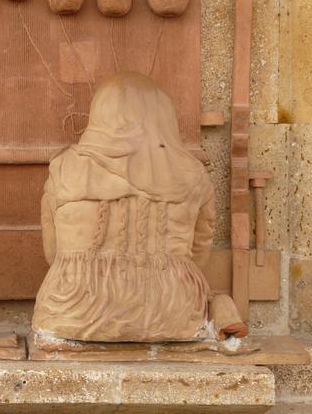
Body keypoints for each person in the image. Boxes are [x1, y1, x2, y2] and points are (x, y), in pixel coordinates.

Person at [32, 72, 247, 342]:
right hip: (173, 315)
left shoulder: (64, 169)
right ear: (164, 117)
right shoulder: (193, 175)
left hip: (69, 313)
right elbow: (198, 255)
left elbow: (52, 254)